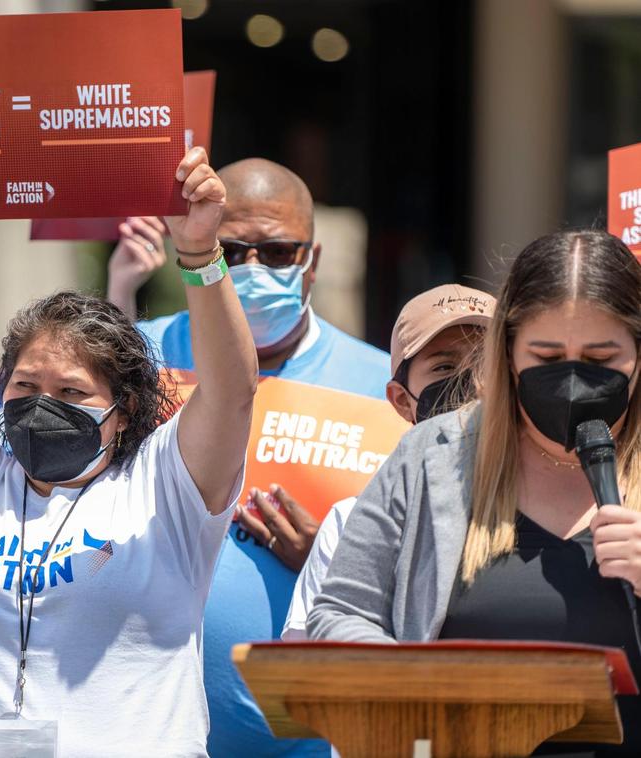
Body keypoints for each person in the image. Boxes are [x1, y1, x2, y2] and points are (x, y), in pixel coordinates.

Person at [0, 115, 257, 756]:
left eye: (71, 393)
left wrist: (200, 254)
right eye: (24, 388)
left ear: (125, 408)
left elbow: (230, 394)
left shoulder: (165, 484)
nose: (43, 407)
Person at [309, 230, 641, 755]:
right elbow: (337, 615)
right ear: (507, 354)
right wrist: (416, 687)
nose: (574, 380)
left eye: (600, 359)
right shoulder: (430, 455)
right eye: (547, 356)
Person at [109, 158, 390, 756]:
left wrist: (336, 559)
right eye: (230, 250)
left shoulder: (385, 387)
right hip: (144, 726)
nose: (251, 268)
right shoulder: (134, 362)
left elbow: (424, 565)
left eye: (278, 252)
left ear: (313, 262)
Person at [281, 283, 493, 640]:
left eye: (487, 365)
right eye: (444, 367)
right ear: (400, 399)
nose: (472, 384)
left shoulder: (556, 503)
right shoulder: (354, 520)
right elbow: (312, 659)